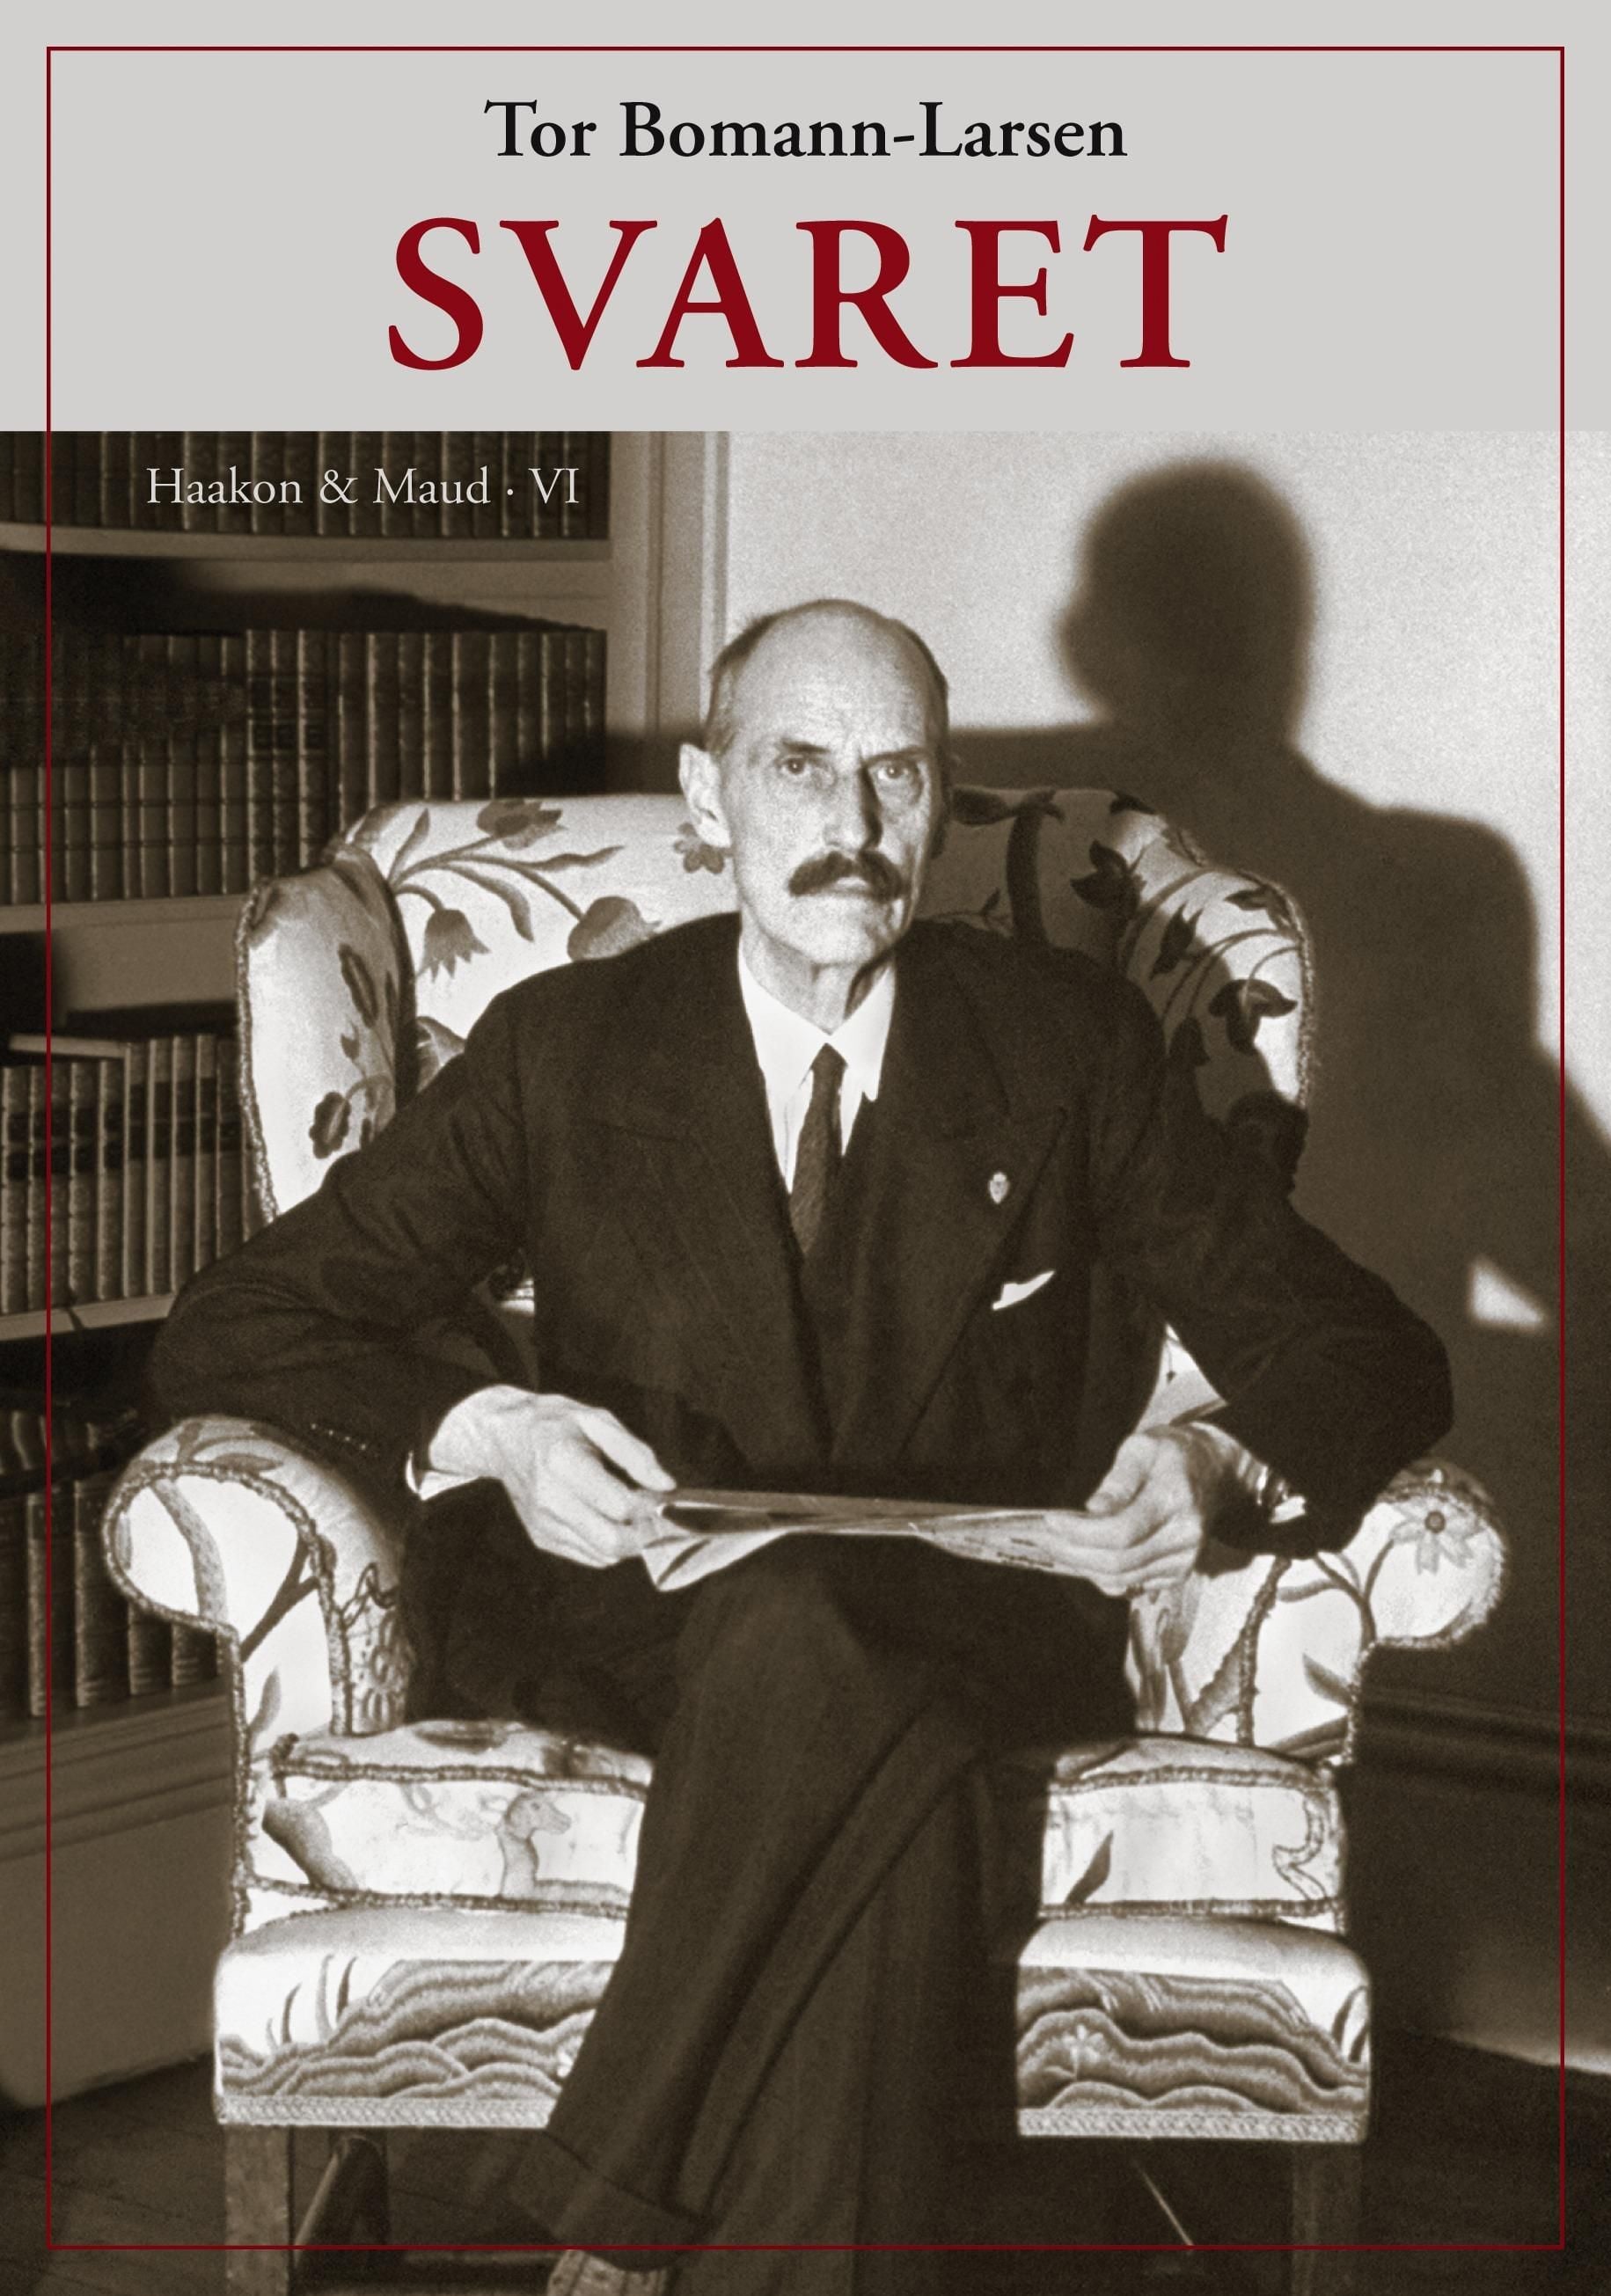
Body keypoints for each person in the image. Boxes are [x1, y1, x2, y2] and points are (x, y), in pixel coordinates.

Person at [150, 600, 1452, 2295]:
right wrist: (490, 1426)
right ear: (711, 797)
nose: (852, 825)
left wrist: (1216, 1464)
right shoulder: (570, 1045)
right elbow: (235, 1322)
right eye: (799, 767)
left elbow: (1368, 1351)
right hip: (643, 1623)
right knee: (858, 1739)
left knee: (835, 1646)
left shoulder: (1064, 1046)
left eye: (896, 774)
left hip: (975, 1621)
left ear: (940, 799)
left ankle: (616, 2200)